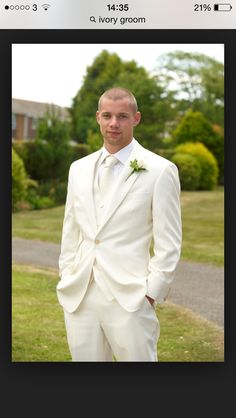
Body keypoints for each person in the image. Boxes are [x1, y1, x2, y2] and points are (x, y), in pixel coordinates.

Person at [57, 87, 182, 361]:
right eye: (108, 116)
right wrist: (67, 272)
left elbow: (169, 242)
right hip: (80, 293)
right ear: (98, 118)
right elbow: (71, 228)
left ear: (136, 118)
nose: (114, 123)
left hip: (131, 297)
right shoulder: (78, 168)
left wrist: (151, 293)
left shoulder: (160, 170)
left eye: (122, 116)